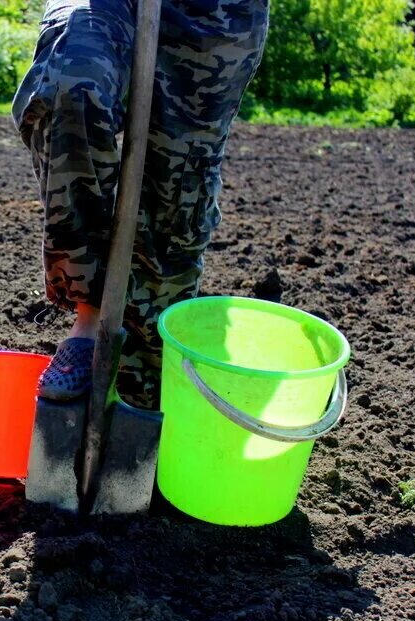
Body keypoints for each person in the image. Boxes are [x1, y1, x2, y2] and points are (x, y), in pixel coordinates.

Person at [13, 0, 268, 409]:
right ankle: (90, 315)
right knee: (73, 83)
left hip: (211, 12)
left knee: (176, 185)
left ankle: (145, 386)